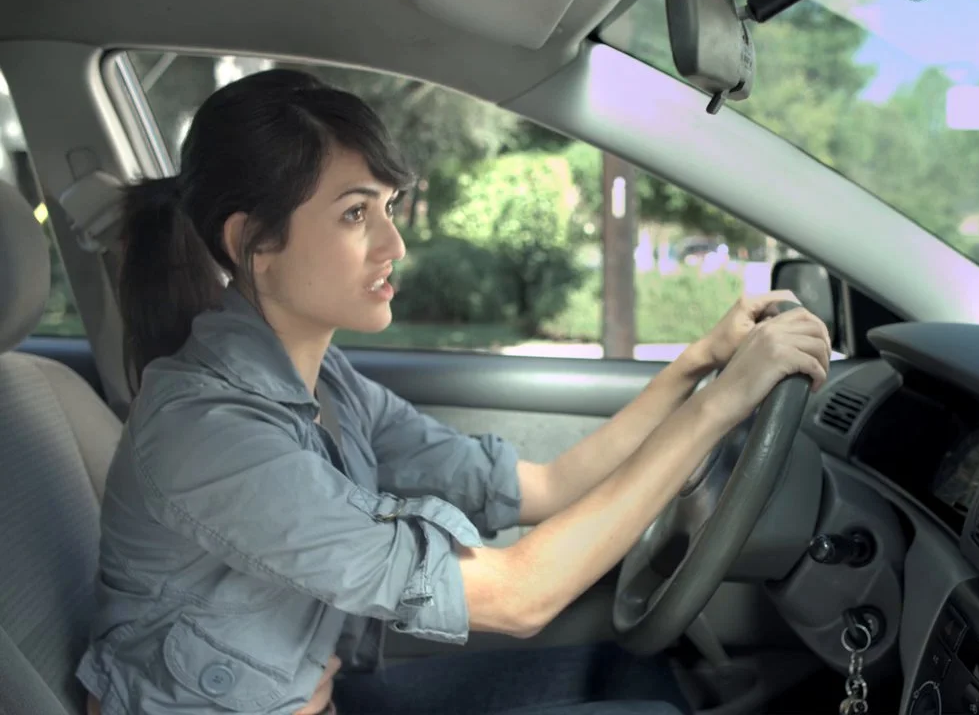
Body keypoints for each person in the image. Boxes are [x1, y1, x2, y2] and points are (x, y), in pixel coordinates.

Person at [75, 69, 832, 715]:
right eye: (354, 214)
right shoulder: (210, 433)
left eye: (387, 208)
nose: (394, 244)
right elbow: (518, 597)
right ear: (252, 244)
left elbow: (545, 487)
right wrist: (722, 406)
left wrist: (698, 365)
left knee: (630, 676)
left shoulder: (329, 385)